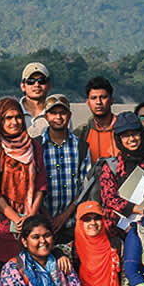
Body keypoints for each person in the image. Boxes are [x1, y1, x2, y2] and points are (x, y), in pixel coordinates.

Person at [0, 98, 48, 265]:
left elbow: (41, 184)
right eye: (8, 118)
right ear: (0, 120)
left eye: (18, 117)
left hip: (29, 217)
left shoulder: (33, 146)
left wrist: (30, 217)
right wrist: (16, 218)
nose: (14, 122)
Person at [93, 112, 144, 231]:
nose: (132, 139)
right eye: (126, 136)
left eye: (135, 134)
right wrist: (137, 208)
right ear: (119, 139)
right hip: (117, 229)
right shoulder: (112, 166)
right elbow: (109, 198)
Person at [40, 94, 87, 244]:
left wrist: (65, 215)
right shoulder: (36, 146)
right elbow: (32, 185)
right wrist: (47, 216)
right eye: (53, 113)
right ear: (46, 116)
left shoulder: (81, 147)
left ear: (69, 115)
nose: (58, 117)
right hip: (42, 225)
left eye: (63, 113)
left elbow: (85, 187)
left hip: (72, 225)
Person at [75, 77, 119, 163]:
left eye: (103, 97)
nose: (98, 102)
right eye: (94, 98)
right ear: (88, 102)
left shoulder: (124, 128)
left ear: (112, 100)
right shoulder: (81, 133)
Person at [19, 62, 52, 139]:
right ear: (23, 86)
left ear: (49, 85)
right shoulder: (13, 113)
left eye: (41, 81)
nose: (36, 85)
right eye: (31, 81)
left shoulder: (58, 114)